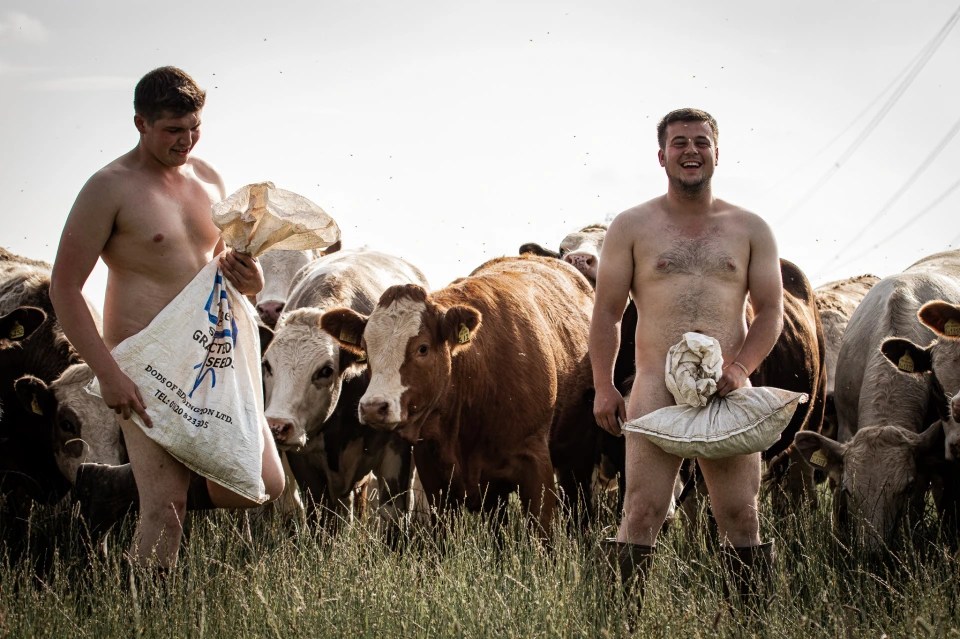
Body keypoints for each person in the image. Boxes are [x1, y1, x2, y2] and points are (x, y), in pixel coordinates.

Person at [50, 66, 285, 570]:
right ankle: (148, 613)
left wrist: (252, 279)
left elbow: (218, 269)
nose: (187, 141)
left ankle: (116, 487)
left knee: (262, 482)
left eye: (194, 128)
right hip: (143, 362)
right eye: (173, 131)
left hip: (211, 356)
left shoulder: (209, 179)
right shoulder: (108, 188)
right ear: (140, 123)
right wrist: (108, 373)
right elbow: (64, 287)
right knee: (167, 509)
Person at [589, 108, 783, 608]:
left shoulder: (751, 228)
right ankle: (619, 623)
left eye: (701, 142)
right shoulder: (632, 226)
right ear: (661, 156)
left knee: (741, 515)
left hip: (727, 388)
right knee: (641, 510)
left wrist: (740, 370)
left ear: (718, 153)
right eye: (679, 143)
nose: (691, 151)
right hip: (655, 384)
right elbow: (608, 312)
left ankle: (750, 623)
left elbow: (769, 313)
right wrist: (606, 386)